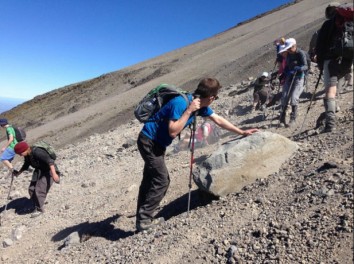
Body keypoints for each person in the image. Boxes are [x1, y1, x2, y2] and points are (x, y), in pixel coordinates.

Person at [136, 77, 258, 231]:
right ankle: (144, 221)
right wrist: (189, 111)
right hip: (149, 142)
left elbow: (218, 119)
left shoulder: (200, 105)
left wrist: (242, 131)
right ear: (212, 97)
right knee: (161, 180)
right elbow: (173, 131)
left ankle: (142, 218)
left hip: (156, 144)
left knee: (150, 179)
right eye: (216, 97)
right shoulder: (181, 103)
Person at [315, 3, 354, 132]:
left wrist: (321, 65)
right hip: (348, 59)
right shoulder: (349, 21)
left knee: (330, 91)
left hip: (331, 60)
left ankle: (330, 124)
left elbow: (320, 47)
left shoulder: (327, 25)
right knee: (337, 84)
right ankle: (332, 110)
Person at [13, 141, 60, 218]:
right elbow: (26, 165)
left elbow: (50, 161)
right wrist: (18, 173)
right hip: (39, 171)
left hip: (49, 171)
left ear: (25, 149)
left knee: (39, 190)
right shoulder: (27, 154)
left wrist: (54, 174)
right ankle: (38, 203)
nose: (20, 155)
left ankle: (40, 209)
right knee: (31, 189)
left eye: (20, 153)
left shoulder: (37, 152)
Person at [278, 38, 308, 127]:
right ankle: (282, 119)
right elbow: (287, 66)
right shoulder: (288, 55)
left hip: (299, 77)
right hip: (290, 76)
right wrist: (284, 74)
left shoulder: (301, 53)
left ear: (294, 46)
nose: (288, 50)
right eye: (287, 48)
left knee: (294, 97)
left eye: (290, 48)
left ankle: (293, 118)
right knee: (284, 96)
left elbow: (306, 66)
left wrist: (299, 68)